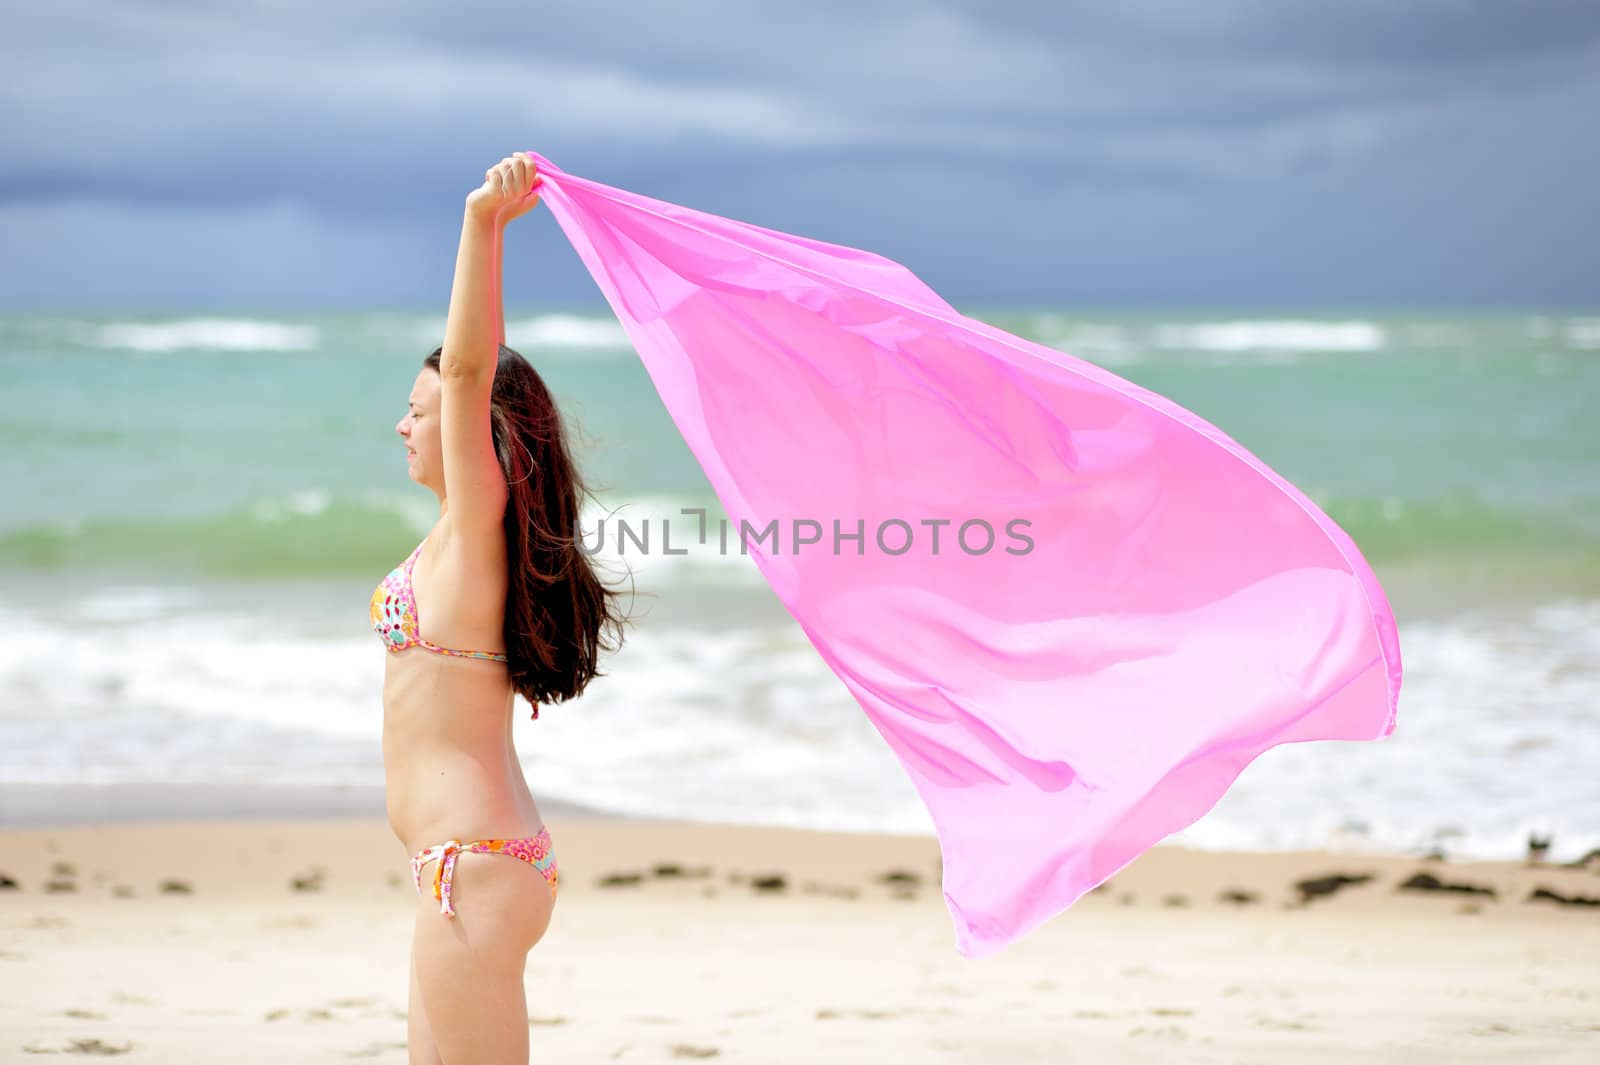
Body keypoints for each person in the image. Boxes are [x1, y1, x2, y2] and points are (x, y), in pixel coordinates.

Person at [370, 151, 633, 1064]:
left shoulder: (476, 539)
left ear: (476, 432)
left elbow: (473, 367)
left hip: (475, 865)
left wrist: (483, 223)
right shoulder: (454, 545)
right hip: (463, 867)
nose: (403, 426)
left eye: (418, 410)